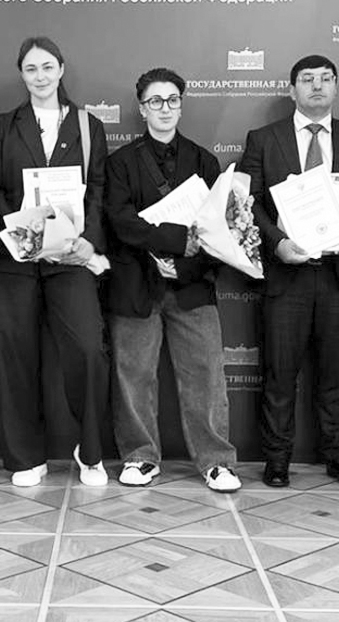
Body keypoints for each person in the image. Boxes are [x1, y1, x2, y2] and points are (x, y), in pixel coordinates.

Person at [240, 54, 339, 490]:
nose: (317, 86)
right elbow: (248, 203)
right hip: (287, 276)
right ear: (292, 89)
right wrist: (277, 242)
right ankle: (277, 459)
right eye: (307, 79)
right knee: (280, 375)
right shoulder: (263, 139)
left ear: (336, 87)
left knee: (338, 375)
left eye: (325, 78)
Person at [0, 36, 110, 487]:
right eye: (31, 69)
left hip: (69, 258)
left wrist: (87, 243)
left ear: (61, 69)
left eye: (47, 67)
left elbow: (98, 190)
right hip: (16, 259)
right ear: (22, 74)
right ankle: (25, 456)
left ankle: (90, 452)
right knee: (16, 354)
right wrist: (21, 228)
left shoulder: (89, 126)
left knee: (88, 350)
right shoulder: (5, 126)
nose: (40, 76)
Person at [104, 67, 240, 493]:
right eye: (155, 101)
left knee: (206, 374)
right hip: (135, 282)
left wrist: (181, 265)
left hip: (192, 283)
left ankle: (216, 461)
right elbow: (121, 223)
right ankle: (140, 456)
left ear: (181, 105)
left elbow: (218, 228)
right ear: (142, 108)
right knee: (133, 375)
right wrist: (175, 242)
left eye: (172, 100)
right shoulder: (120, 162)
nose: (165, 108)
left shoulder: (204, 161)